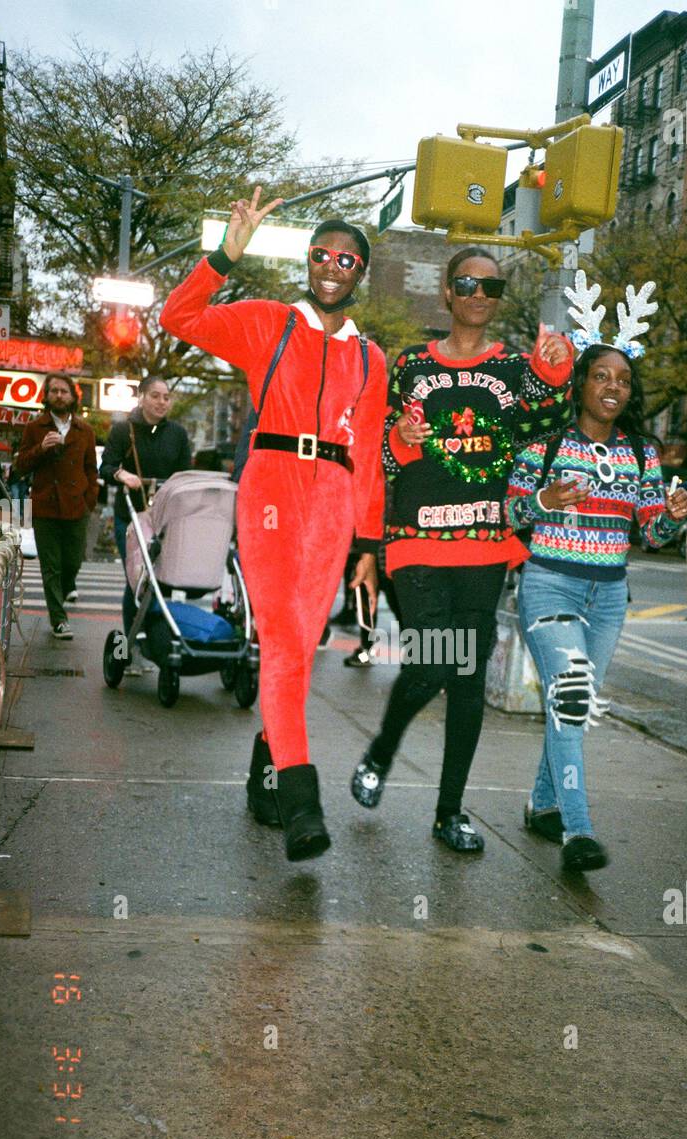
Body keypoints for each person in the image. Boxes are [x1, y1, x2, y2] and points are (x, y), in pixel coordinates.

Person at [160, 190, 387, 861]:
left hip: (336, 499)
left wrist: (369, 545)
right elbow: (180, 316)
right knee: (285, 641)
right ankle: (300, 798)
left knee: (297, 647)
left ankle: (268, 767)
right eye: (320, 253)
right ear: (308, 261)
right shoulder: (269, 323)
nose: (331, 265)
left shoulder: (372, 360)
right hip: (272, 485)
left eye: (346, 258)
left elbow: (371, 455)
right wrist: (225, 255)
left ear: (360, 273)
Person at [350, 246, 573, 851]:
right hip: (416, 542)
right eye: (468, 284)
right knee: (432, 662)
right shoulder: (411, 365)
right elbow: (385, 458)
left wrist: (554, 371)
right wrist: (400, 435)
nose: (479, 295)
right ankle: (381, 750)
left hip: (484, 541)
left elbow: (546, 423)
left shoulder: (514, 368)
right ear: (447, 293)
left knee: (468, 677)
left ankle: (449, 813)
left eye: (492, 287)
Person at [505, 336, 687, 872]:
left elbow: (651, 533)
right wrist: (545, 499)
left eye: (624, 380)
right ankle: (578, 830)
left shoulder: (641, 453)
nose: (614, 387)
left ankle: (544, 802)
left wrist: (674, 515)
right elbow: (509, 513)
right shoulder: (543, 446)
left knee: (575, 705)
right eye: (602, 376)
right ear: (580, 383)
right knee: (570, 699)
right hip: (548, 584)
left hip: (609, 595)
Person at [100, 375, 192, 674]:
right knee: (137, 581)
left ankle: (154, 640)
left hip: (164, 518)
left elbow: (184, 474)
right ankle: (130, 646)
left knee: (161, 582)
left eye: (166, 397)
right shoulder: (123, 430)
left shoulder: (177, 434)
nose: (162, 402)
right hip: (131, 517)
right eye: (155, 395)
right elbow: (106, 466)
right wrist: (121, 475)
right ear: (141, 398)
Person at [13, 374, 98, 640]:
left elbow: (91, 470)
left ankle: (66, 587)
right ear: (46, 396)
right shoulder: (35, 428)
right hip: (45, 507)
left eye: (64, 391)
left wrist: (89, 502)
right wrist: (41, 448)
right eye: (54, 391)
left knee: (72, 562)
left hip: (76, 506)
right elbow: (20, 466)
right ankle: (59, 619)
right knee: (51, 566)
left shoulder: (85, 430)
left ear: (73, 396)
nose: (59, 395)